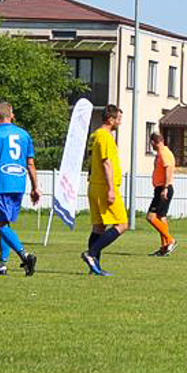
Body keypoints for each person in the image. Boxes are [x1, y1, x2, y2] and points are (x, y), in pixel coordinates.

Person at [0, 101, 39, 276]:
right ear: (12, 115)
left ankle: (25, 255)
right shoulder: (24, 135)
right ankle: (2, 264)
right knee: (6, 224)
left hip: (1, 184)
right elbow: (30, 163)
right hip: (18, 184)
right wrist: (35, 187)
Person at [81, 104, 128, 276]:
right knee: (122, 224)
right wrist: (110, 189)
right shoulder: (106, 137)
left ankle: (94, 267)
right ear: (110, 119)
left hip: (93, 184)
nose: (120, 123)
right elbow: (106, 163)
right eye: (118, 119)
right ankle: (91, 254)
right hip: (104, 186)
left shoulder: (94, 136)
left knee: (98, 227)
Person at [146, 132, 177, 256]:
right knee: (161, 218)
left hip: (163, 189)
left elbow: (168, 169)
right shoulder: (164, 152)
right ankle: (165, 247)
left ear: (153, 142)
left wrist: (164, 188)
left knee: (150, 217)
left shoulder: (164, 153)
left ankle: (170, 240)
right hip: (162, 188)